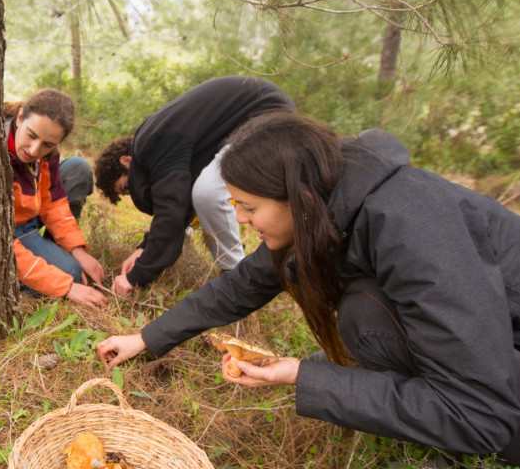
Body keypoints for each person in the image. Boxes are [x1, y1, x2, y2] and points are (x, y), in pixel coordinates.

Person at [96, 112, 520, 464]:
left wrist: (304, 375)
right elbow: (243, 284)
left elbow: (481, 412)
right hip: (488, 365)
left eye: (249, 207)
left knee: (363, 318)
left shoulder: (415, 230)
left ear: (297, 198)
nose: (240, 219)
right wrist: (145, 338)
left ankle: (453, 444)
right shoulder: (331, 201)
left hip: (496, 398)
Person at [94, 76, 295, 296]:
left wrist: (136, 277)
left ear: (126, 161)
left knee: (208, 193)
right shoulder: (161, 142)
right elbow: (179, 204)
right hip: (259, 120)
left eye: (126, 187)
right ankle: (238, 273)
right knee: (202, 191)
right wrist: (144, 249)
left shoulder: (151, 145)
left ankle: (238, 278)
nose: (134, 193)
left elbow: (171, 215)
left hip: (267, 117)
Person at [5, 88, 107, 308]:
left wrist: (76, 249)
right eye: (31, 135)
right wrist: (65, 286)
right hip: (7, 232)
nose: (34, 150)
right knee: (69, 273)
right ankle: (12, 280)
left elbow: (53, 204)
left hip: (29, 217)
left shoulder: (47, 151)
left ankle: (54, 255)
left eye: (48, 144)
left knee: (77, 167)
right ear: (20, 117)